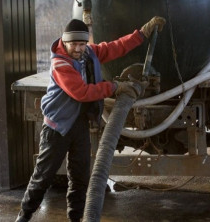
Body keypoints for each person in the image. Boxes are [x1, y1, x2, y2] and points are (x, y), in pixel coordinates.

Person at [15, 16, 166, 222]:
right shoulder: (60, 64)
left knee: (79, 179)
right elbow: (81, 92)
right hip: (57, 128)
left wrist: (141, 34)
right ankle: (24, 216)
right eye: (73, 44)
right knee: (43, 178)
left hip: (79, 125)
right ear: (64, 42)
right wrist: (114, 87)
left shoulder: (89, 53)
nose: (78, 49)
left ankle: (76, 219)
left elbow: (115, 48)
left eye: (82, 44)